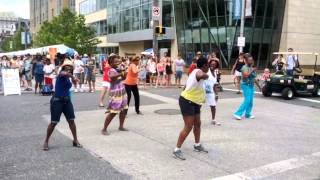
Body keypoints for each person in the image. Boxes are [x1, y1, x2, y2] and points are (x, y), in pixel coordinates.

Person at [173, 57, 209, 160]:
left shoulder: (194, 72)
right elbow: (200, 75)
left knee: (197, 123)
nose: (209, 67)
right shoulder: (198, 71)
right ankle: (176, 150)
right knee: (188, 126)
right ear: (204, 65)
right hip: (187, 101)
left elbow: (186, 86)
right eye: (208, 66)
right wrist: (205, 75)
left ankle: (197, 145)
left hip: (195, 102)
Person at [43, 59, 81, 151]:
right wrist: (72, 77)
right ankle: (46, 141)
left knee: (71, 121)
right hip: (57, 101)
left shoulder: (68, 78)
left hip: (67, 101)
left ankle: (75, 140)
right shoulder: (61, 74)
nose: (68, 70)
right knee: (54, 122)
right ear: (63, 68)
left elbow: (74, 84)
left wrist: (75, 81)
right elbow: (65, 74)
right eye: (66, 68)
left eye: (70, 68)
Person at [101, 55, 128, 135]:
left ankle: (121, 126)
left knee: (123, 110)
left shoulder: (118, 69)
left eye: (118, 61)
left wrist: (124, 74)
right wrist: (121, 73)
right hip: (115, 94)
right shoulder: (111, 70)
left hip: (122, 91)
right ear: (111, 63)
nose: (117, 63)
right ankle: (104, 129)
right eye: (115, 62)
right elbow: (112, 77)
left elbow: (123, 79)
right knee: (113, 112)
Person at [233, 53, 257, 120]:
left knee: (251, 101)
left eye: (252, 60)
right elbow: (246, 75)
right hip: (246, 85)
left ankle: (247, 114)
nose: (251, 61)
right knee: (247, 100)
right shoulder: (244, 67)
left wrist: (259, 87)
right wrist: (252, 70)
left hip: (251, 85)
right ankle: (237, 113)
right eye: (249, 60)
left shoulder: (251, 67)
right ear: (246, 61)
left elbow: (253, 78)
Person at [204, 59, 220, 126]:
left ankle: (213, 120)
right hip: (203, 91)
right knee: (198, 106)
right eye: (211, 64)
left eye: (214, 64)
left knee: (213, 106)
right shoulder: (206, 71)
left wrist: (216, 94)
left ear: (216, 66)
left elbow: (215, 85)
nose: (212, 65)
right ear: (209, 64)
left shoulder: (215, 73)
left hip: (210, 92)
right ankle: (193, 120)